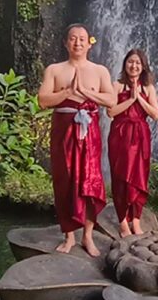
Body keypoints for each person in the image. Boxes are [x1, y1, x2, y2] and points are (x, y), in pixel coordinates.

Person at [37, 24, 115, 257]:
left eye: (82, 39)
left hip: (89, 132)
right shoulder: (54, 70)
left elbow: (110, 100)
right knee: (65, 180)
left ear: (89, 43)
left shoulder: (100, 70)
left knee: (90, 181)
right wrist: (67, 93)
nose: (78, 43)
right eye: (73, 39)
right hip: (63, 131)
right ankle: (69, 236)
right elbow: (43, 100)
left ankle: (88, 236)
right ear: (65, 43)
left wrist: (86, 92)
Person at [107, 49, 158, 237]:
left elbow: (155, 114)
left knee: (139, 178)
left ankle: (136, 220)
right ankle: (123, 223)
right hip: (120, 135)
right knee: (121, 178)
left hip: (141, 135)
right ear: (125, 64)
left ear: (143, 66)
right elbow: (111, 112)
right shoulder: (117, 85)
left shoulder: (148, 88)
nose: (134, 66)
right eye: (130, 62)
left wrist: (139, 99)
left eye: (138, 63)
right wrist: (130, 100)